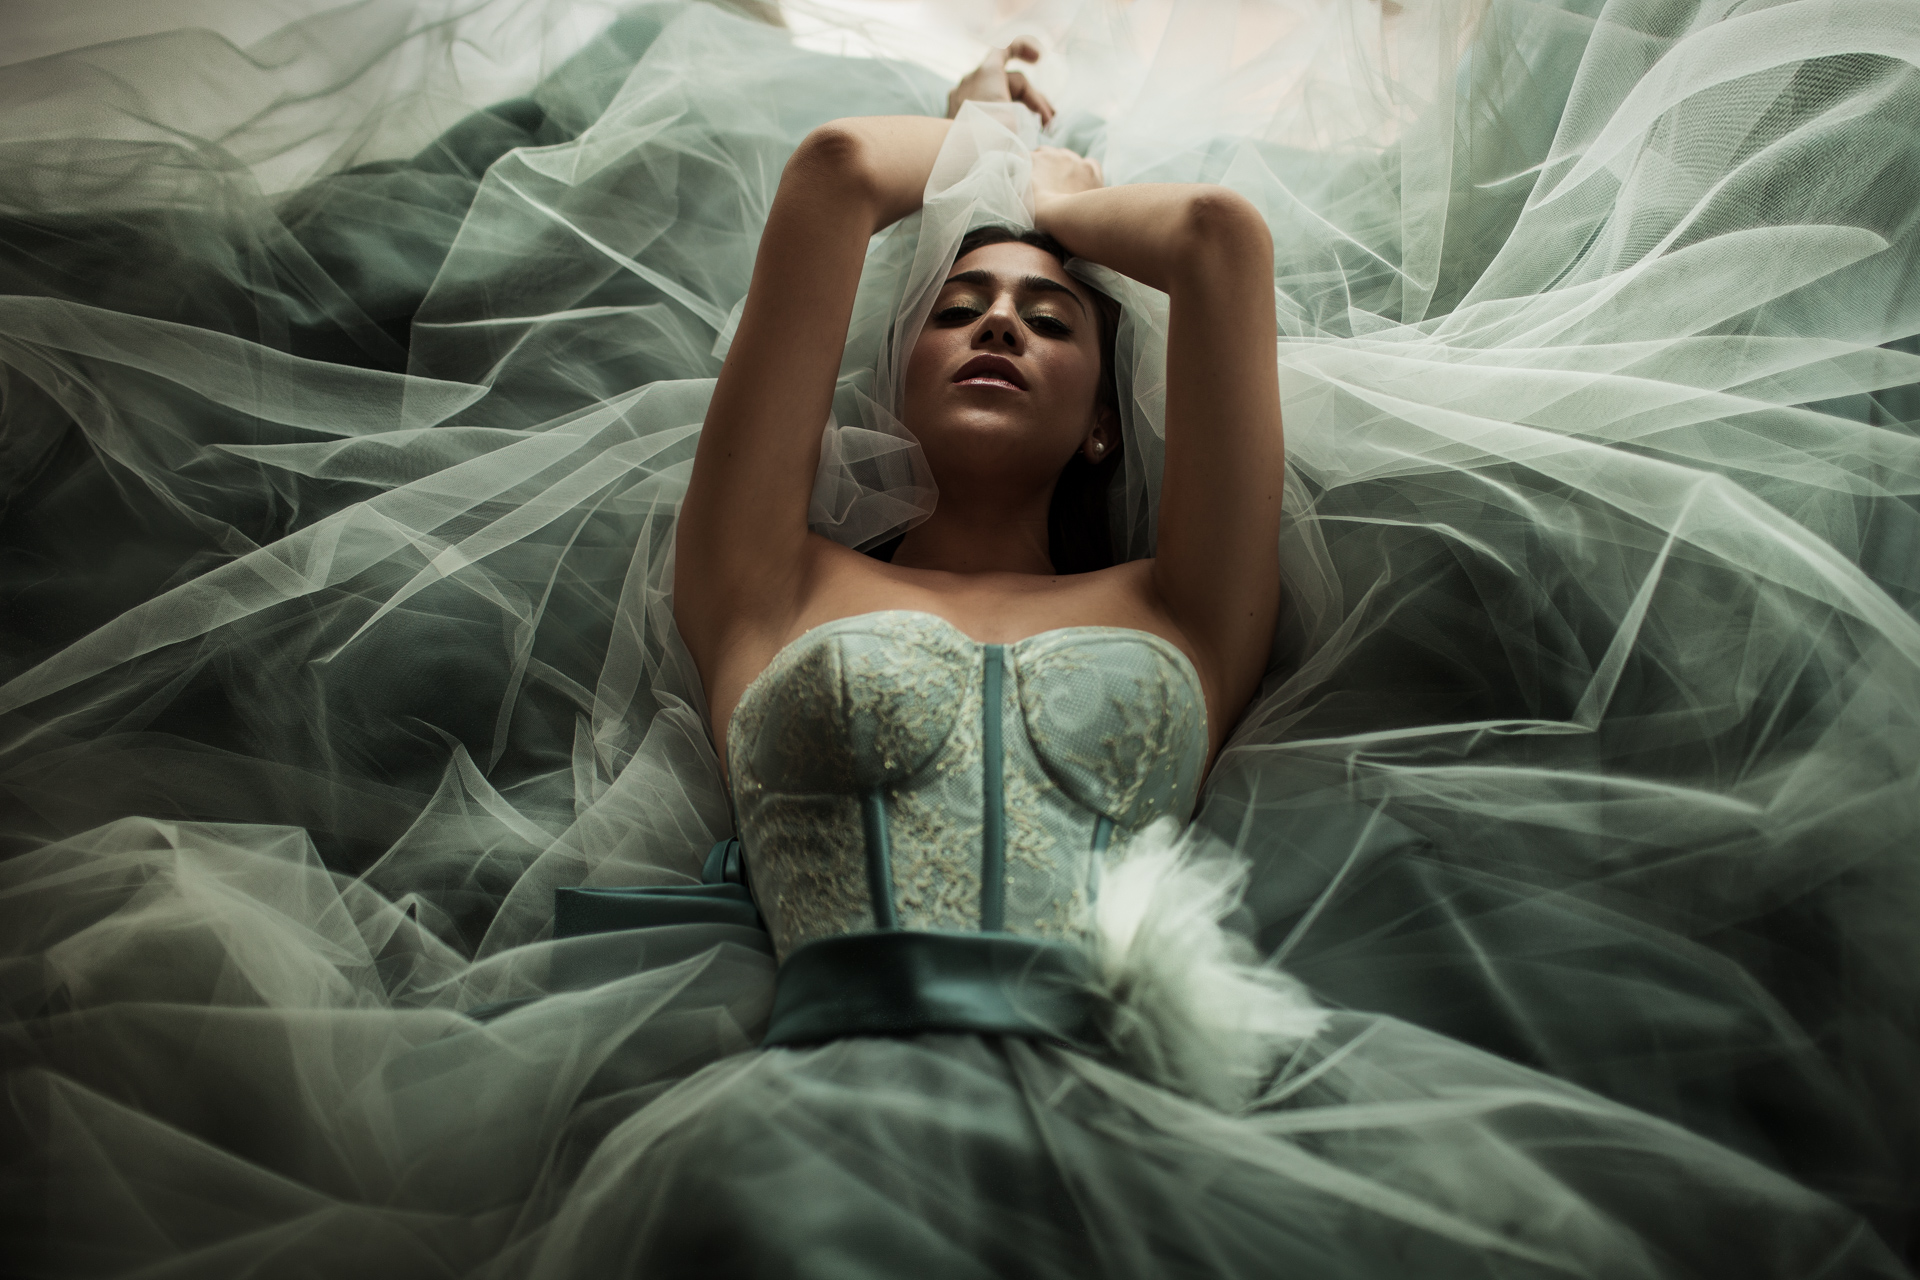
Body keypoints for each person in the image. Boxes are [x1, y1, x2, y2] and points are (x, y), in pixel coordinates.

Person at [1, 1, 1917, 1276]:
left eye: (1050, 316)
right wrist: (980, 139)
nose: (999, 318)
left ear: (1105, 412)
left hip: (1163, 1138)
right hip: (800, 1119)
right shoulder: (773, 589)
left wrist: (1040, 198)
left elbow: (1226, 249)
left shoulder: (1178, 605)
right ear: (895, 371)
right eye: (957, 306)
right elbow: (835, 185)